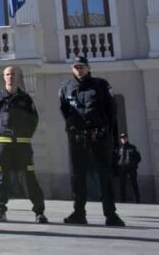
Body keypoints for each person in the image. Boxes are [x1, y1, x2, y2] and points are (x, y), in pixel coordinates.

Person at [60, 56, 125, 225]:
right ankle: (79, 213)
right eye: (76, 67)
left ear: (88, 68)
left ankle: (111, 215)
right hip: (78, 137)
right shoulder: (66, 88)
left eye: (82, 66)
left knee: (105, 174)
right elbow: (65, 111)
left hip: (99, 135)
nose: (79, 70)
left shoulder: (101, 85)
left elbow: (112, 111)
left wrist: (108, 132)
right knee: (78, 175)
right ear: (72, 69)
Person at [0, 66, 48, 223]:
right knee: (2, 178)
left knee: (29, 177)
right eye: (8, 74)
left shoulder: (25, 98)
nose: (11, 77)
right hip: (3, 145)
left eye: (13, 74)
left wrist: (25, 135)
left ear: (17, 77)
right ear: (4, 77)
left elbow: (34, 119)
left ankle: (39, 212)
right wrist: (0, 135)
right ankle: (0, 210)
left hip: (23, 146)